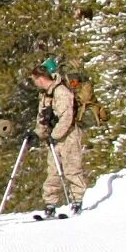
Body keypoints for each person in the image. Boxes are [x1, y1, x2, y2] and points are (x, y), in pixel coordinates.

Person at [31, 60, 88, 217]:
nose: (34, 83)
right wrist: (38, 133)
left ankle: (78, 201)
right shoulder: (45, 95)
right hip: (54, 137)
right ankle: (50, 203)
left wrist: (56, 135)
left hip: (68, 135)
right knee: (53, 171)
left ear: (40, 78)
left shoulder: (61, 91)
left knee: (72, 169)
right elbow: (43, 116)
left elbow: (66, 117)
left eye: (34, 80)